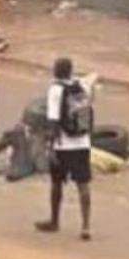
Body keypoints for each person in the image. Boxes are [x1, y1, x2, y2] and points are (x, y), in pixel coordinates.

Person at [36, 58, 93, 241]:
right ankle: (86, 226)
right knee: (83, 185)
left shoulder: (56, 90)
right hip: (83, 142)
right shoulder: (82, 87)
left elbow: (53, 120)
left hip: (63, 145)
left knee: (56, 183)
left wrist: (50, 147)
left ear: (56, 71)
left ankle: (54, 221)